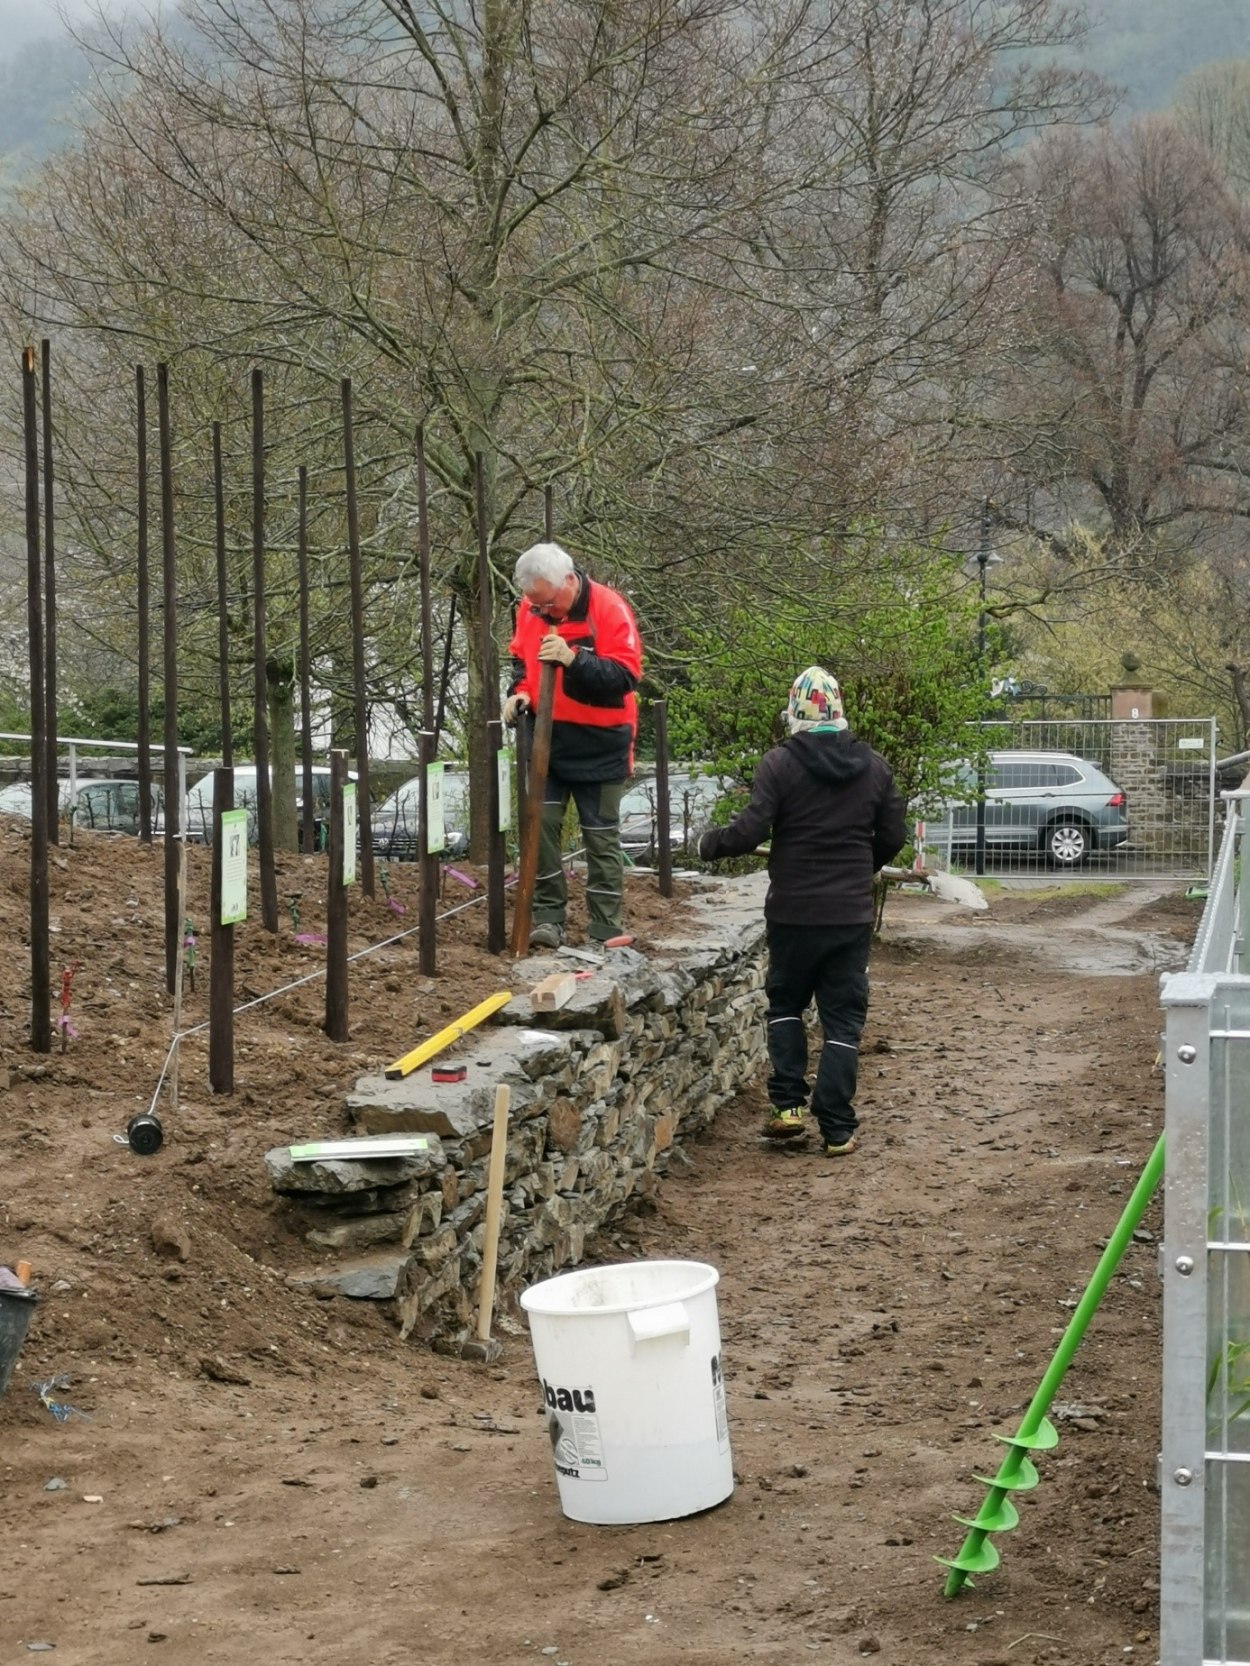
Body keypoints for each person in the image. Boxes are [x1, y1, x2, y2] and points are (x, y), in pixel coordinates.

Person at [698, 666, 906, 1156]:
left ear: (795, 714)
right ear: (839, 712)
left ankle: (787, 1108)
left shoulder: (779, 764)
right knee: (843, 1020)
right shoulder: (875, 767)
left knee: (786, 1007)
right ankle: (837, 1128)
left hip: (792, 911)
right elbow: (893, 835)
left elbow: (750, 831)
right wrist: (863, 867)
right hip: (849, 916)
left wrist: (711, 844)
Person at [504, 541, 643, 949]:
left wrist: (574, 659)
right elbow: (520, 660)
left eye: (548, 603)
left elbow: (625, 677)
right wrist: (521, 692)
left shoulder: (610, 607)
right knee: (541, 828)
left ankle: (605, 926)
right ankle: (548, 919)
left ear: (568, 580)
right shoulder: (530, 609)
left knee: (600, 837)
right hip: (548, 742)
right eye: (536, 605)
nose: (544, 612)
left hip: (602, 745)